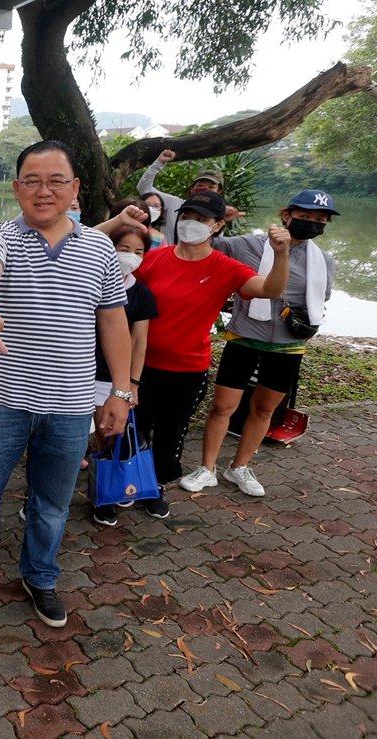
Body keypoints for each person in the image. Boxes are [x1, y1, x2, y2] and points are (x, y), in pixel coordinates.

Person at [0, 140, 134, 628]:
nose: (44, 190)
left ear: (75, 188)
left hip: (71, 405)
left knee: (52, 503)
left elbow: (114, 322)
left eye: (56, 180)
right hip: (1, 400)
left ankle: (40, 576)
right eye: (31, 180)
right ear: (16, 188)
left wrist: (121, 390)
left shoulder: (100, 248)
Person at [130, 190, 289, 517]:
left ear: (217, 226)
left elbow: (271, 290)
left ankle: (154, 489)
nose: (191, 224)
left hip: (186, 370)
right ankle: (128, 484)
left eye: (201, 219)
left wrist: (281, 254)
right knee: (135, 429)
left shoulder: (226, 268)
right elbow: (123, 291)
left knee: (170, 436)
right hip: (141, 366)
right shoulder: (156, 258)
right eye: (187, 216)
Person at [181, 189, 338, 497]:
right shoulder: (248, 245)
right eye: (305, 216)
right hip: (245, 337)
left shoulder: (324, 260)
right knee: (223, 406)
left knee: (265, 409)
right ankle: (207, 468)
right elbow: (204, 247)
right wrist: (218, 224)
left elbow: (325, 296)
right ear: (287, 215)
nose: (312, 223)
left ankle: (239, 467)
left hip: (289, 344)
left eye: (320, 219)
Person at [87, 215, 159, 526]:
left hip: (110, 377)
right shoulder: (87, 278)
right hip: (77, 370)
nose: (130, 255)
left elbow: (139, 341)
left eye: (138, 251)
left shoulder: (141, 294)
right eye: (123, 248)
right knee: (73, 437)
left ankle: (103, 495)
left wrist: (132, 383)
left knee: (107, 435)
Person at [137, 148, 243, 242]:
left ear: (219, 192)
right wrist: (159, 162)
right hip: (167, 260)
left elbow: (214, 244)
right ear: (192, 189)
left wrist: (222, 220)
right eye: (200, 185)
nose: (205, 190)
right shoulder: (173, 203)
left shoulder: (216, 216)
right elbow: (144, 188)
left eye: (211, 187)